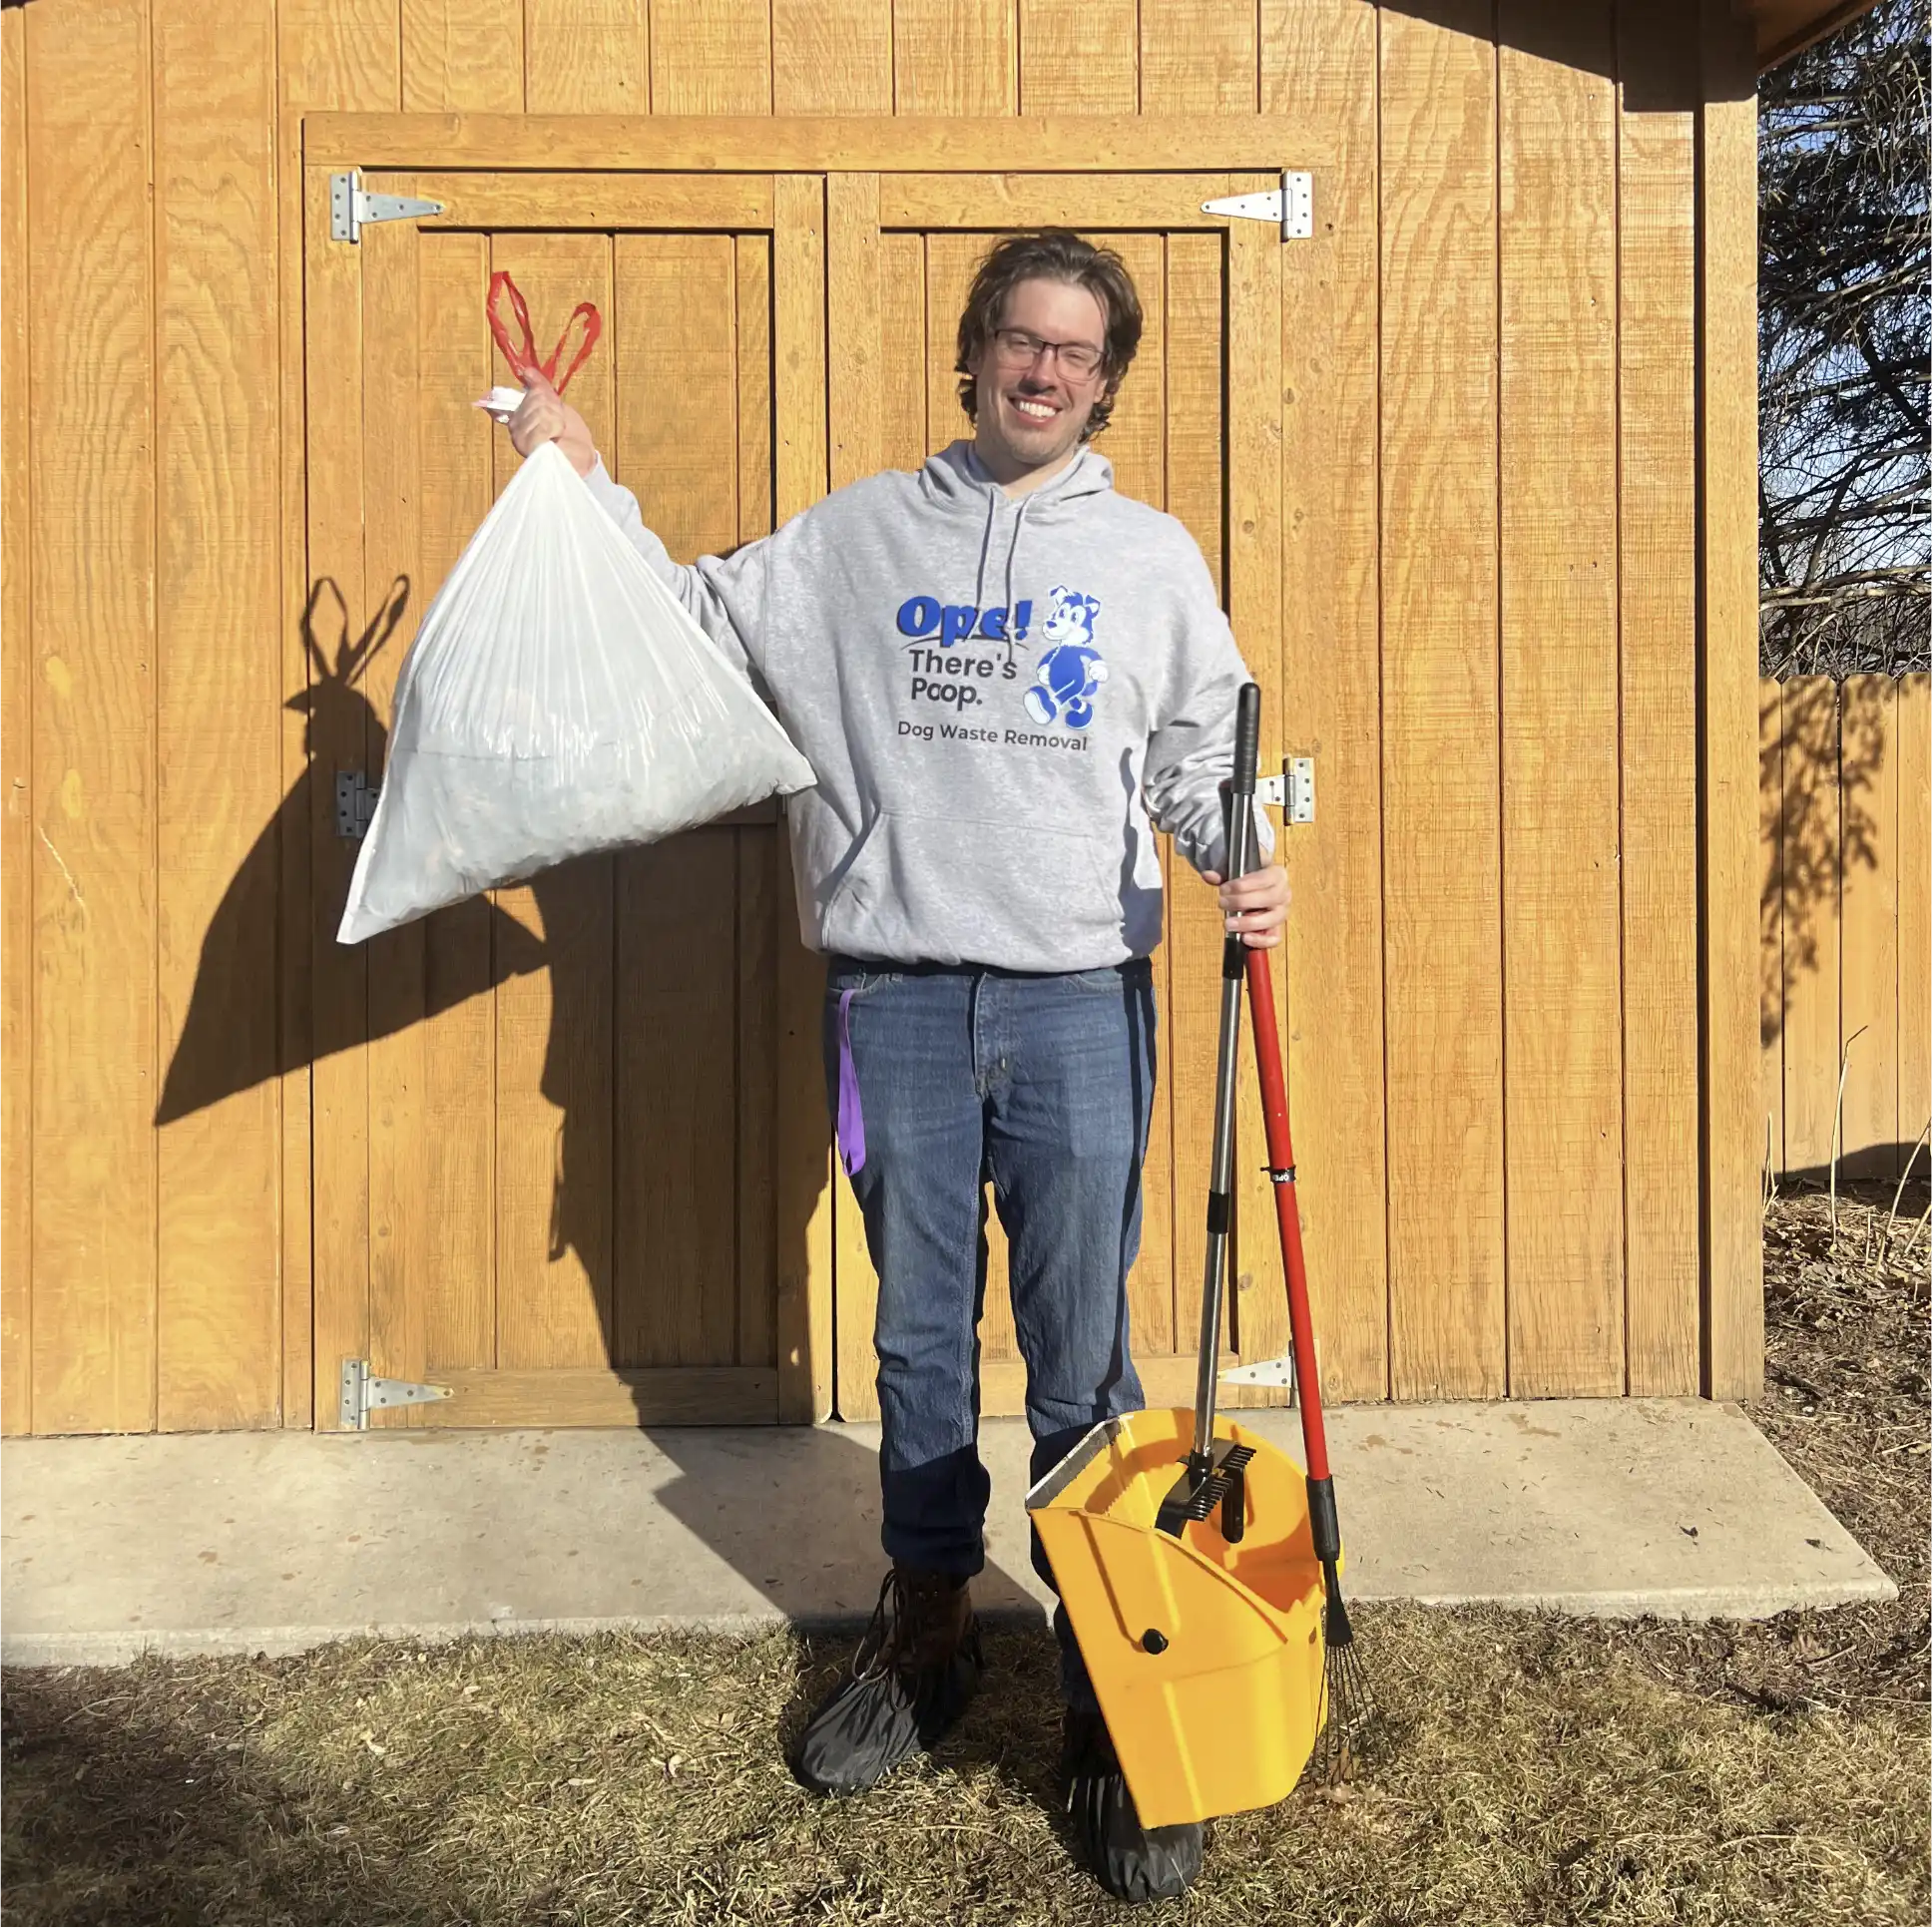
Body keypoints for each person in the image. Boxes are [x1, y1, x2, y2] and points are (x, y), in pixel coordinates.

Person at [505, 229, 1289, 1904]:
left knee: (1087, 1350)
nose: (1044, 369)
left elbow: (1204, 755)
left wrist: (1250, 848)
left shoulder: (1149, 559)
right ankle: (926, 1630)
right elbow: (689, 619)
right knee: (920, 1333)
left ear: (1106, 382)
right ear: (975, 351)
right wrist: (588, 479)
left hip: (1082, 1001)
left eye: (1077, 353)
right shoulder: (859, 537)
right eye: (1021, 338)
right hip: (899, 1002)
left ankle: (1112, 1680)